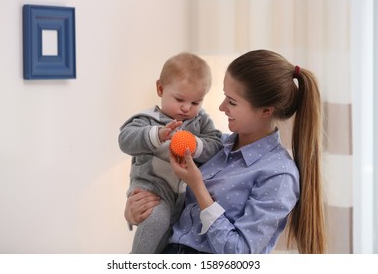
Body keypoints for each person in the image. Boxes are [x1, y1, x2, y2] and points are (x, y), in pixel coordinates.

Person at [124, 49, 327, 254]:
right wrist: (136, 210)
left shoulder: (278, 174)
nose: (221, 107)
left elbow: (240, 253)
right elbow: (161, 180)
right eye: (224, 97)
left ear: (266, 111)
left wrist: (198, 187)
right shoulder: (214, 146)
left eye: (232, 102)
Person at [118, 52, 223, 253]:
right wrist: (157, 135)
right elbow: (125, 140)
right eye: (180, 99)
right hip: (152, 188)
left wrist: (195, 145)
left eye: (195, 103)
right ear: (160, 89)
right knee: (157, 219)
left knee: (168, 239)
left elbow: (216, 144)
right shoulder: (148, 120)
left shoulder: (200, 121)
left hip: (184, 196)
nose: (186, 108)